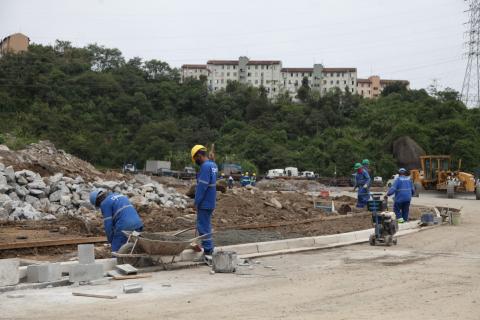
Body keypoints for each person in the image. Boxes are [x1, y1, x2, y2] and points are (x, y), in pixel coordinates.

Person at [191, 144, 218, 256]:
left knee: (203, 226)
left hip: (205, 202)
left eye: (195, 158)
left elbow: (202, 187)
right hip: (211, 201)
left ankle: (208, 251)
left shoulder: (205, 167)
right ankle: (208, 248)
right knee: (206, 225)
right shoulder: (213, 165)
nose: (196, 161)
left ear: (199, 155)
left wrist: (196, 202)